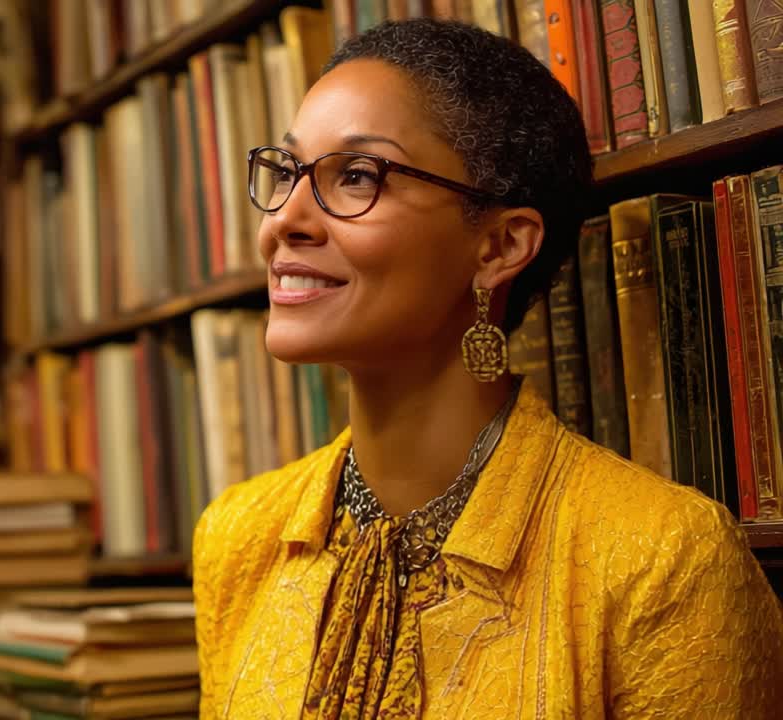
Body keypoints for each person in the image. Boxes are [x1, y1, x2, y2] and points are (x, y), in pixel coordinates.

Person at [192, 18, 783, 719]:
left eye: (355, 176)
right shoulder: (237, 538)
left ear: (500, 246)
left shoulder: (663, 563)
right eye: (286, 172)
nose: (284, 220)